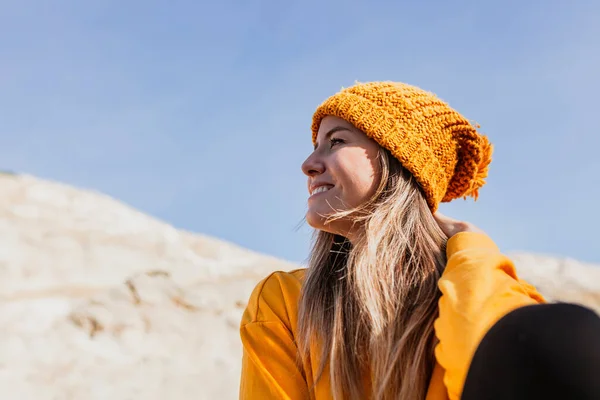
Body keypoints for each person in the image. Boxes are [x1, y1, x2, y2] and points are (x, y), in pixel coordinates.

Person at [238, 81, 600, 399]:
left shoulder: (466, 283)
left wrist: (470, 249)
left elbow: (493, 370)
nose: (308, 163)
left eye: (336, 141)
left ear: (400, 164)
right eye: (316, 145)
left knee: (560, 334)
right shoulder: (284, 302)